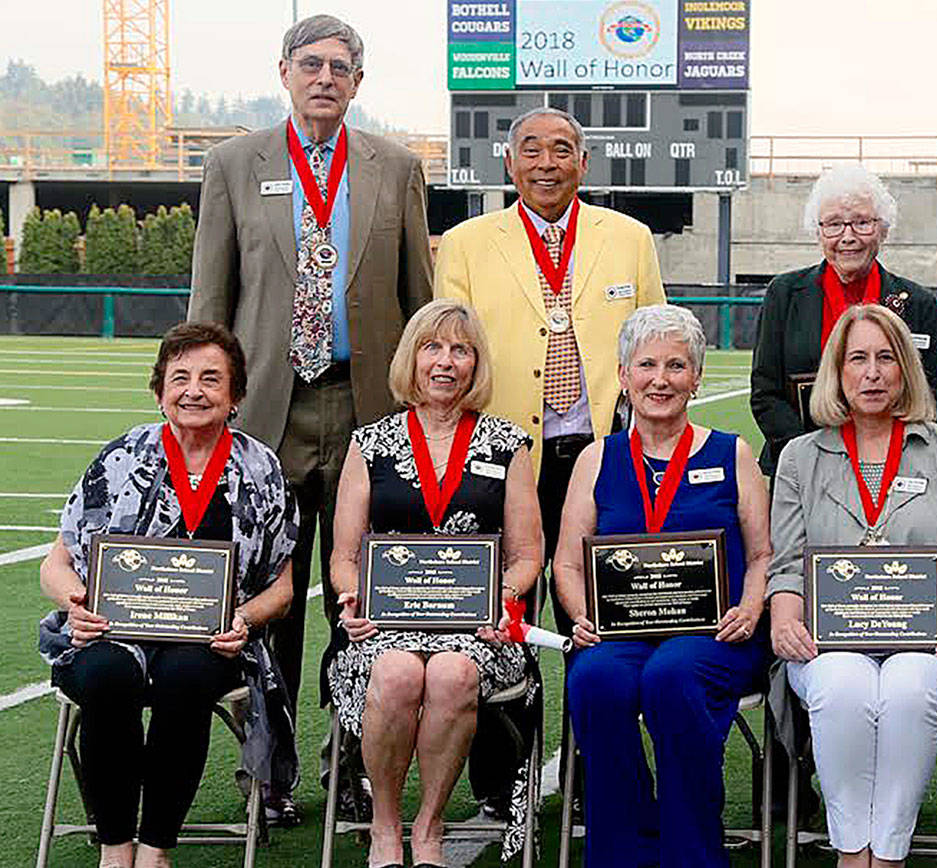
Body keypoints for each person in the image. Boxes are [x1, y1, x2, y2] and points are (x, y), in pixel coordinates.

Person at [189, 13, 434, 819]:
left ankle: (357, 760)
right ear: (284, 72)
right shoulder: (232, 163)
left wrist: (418, 409)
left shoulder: (395, 167)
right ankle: (270, 767)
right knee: (272, 593)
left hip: (367, 408)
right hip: (267, 410)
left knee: (362, 596)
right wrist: (206, 406)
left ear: (359, 83)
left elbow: (418, 303)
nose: (325, 77)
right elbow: (211, 300)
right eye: (311, 64)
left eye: (340, 67)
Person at [37, 322, 298, 868]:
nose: (194, 391)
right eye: (179, 378)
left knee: (187, 677)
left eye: (211, 378)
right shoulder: (122, 458)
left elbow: (283, 586)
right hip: (114, 631)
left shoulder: (260, 468)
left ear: (236, 395)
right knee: (107, 677)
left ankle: (156, 847)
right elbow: (57, 564)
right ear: (159, 391)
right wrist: (76, 605)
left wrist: (244, 621)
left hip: (213, 640)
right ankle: (115, 845)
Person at [767, 304, 937, 867]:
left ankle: (888, 853)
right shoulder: (801, 456)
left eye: (886, 358)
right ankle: (853, 851)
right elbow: (788, 563)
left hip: (935, 644)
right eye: (858, 359)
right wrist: (785, 621)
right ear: (837, 373)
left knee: (907, 686)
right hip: (831, 641)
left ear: (906, 370)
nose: (872, 373)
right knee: (841, 685)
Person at [327, 299, 543, 867]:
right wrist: (352, 599)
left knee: (452, 673)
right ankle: (384, 825)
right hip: (385, 625)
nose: (446, 362)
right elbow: (344, 555)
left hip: (477, 628)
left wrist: (502, 598)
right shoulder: (369, 444)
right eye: (432, 347)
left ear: (476, 364)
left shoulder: (508, 443)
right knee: (396, 673)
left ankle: (429, 826)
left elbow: (527, 555)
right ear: (411, 359)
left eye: (461, 350)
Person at [552, 305, 770, 868]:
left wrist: (749, 609)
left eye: (677, 365)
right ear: (623, 375)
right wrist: (581, 617)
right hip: (619, 633)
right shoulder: (597, 458)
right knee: (596, 679)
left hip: (714, 631)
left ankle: (691, 849)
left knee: (672, 676)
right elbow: (568, 565)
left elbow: (766, 554)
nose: (660, 379)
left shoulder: (731, 453)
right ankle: (623, 849)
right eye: (645, 364)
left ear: (696, 377)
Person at [436, 106, 666, 635]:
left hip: (602, 452)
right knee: (501, 616)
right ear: (509, 162)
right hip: (501, 456)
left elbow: (655, 338)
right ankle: (515, 716)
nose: (547, 163)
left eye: (562, 150)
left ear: (583, 163)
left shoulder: (630, 238)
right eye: (532, 150)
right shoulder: (466, 244)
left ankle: (593, 714)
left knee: (602, 612)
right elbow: (448, 356)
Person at [752, 164, 937, 476]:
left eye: (862, 223)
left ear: (883, 229)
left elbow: (930, 398)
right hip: (803, 466)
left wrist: (888, 458)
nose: (848, 236)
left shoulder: (918, 303)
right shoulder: (784, 294)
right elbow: (766, 393)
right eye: (834, 224)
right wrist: (812, 456)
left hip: (892, 469)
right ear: (818, 232)